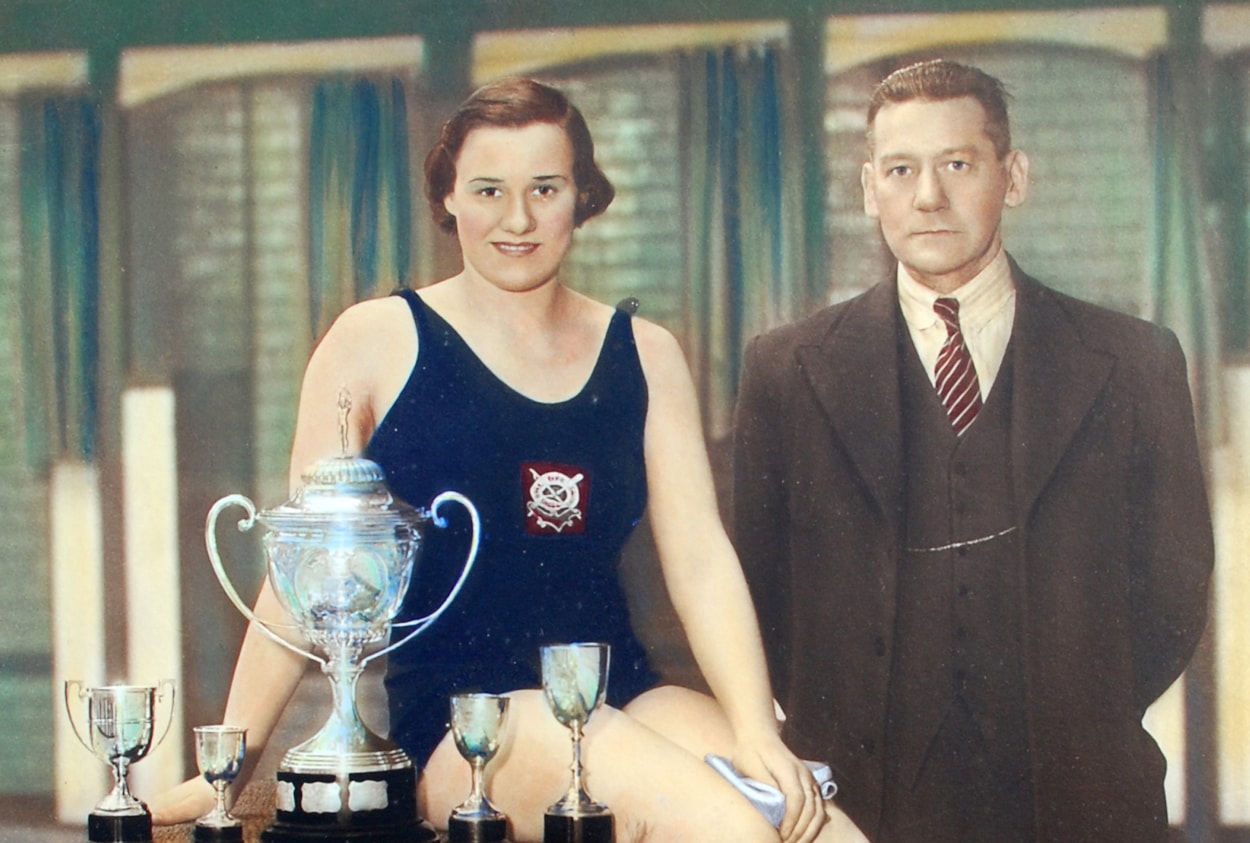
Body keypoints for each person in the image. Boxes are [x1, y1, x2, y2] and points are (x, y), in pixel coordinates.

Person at [150, 78, 828, 843]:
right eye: (488, 189)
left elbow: (700, 558)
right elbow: (303, 582)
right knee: (732, 828)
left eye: (545, 187)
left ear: (583, 196)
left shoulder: (647, 352)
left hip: (625, 693)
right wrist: (225, 769)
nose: (518, 218)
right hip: (463, 722)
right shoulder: (372, 341)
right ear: (447, 199)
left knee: (822, 827)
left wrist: (755, 732)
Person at [732, 59, 1213, 843]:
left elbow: (1173, 589)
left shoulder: (1134, 360)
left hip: (1081, 801)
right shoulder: (786, 370)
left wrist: (1077, 715)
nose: (928, 196)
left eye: (957, 163)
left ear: (1012, 175)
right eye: (900, 169)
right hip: (865, 803)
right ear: (867, 189)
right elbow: (756, 592)